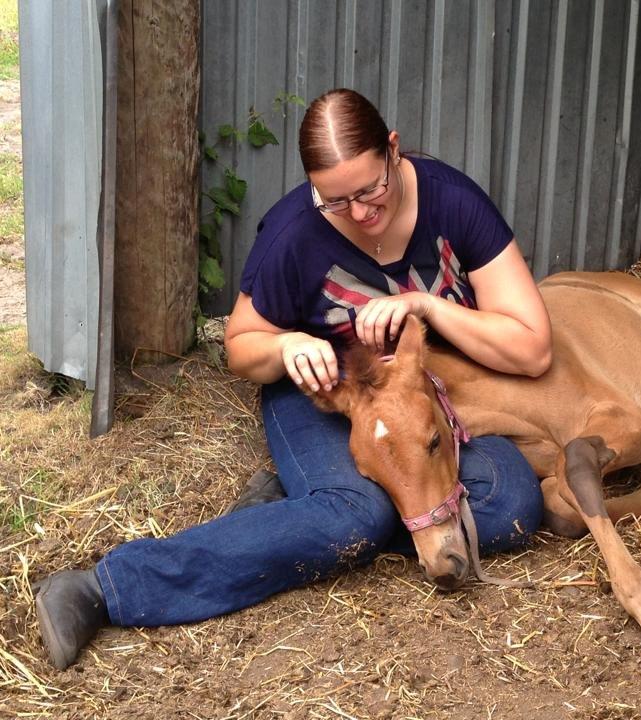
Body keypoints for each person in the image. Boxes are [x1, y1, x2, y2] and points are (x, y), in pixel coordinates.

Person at [34, 88, 552, 670]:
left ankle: (289, 513)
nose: (359, 212)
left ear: (393, 150)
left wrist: (426, 307)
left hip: (429, 405)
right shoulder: (293, 233)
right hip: (328, 398)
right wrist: (286, 345)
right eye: (334, 200)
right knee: (357, 516)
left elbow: (532, 349)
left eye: (370, 188)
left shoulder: (454, 203)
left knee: (509, 501)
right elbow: (240, 348)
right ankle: (106, 587)